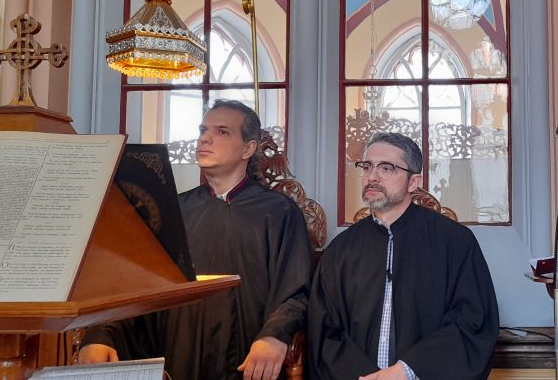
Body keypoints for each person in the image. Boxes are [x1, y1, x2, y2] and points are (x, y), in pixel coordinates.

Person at [77, 99, 315, 380]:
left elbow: (295, 290)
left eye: (222, 131)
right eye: (203, 130)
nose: (204, 138)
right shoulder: (172, 211)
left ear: (248, 149)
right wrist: (101, 334)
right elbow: (132, 283)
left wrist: (274, 336)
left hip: (248, 357)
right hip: (177, 352)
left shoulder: (279, 212)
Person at [307, 132, 499, 380]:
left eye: (386, 168)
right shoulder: (341, 249)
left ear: (413, 182)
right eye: (367, 167)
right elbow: (324, 330)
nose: (372, 177)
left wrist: (409, 370)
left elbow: (472, 321)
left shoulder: (455, 242)